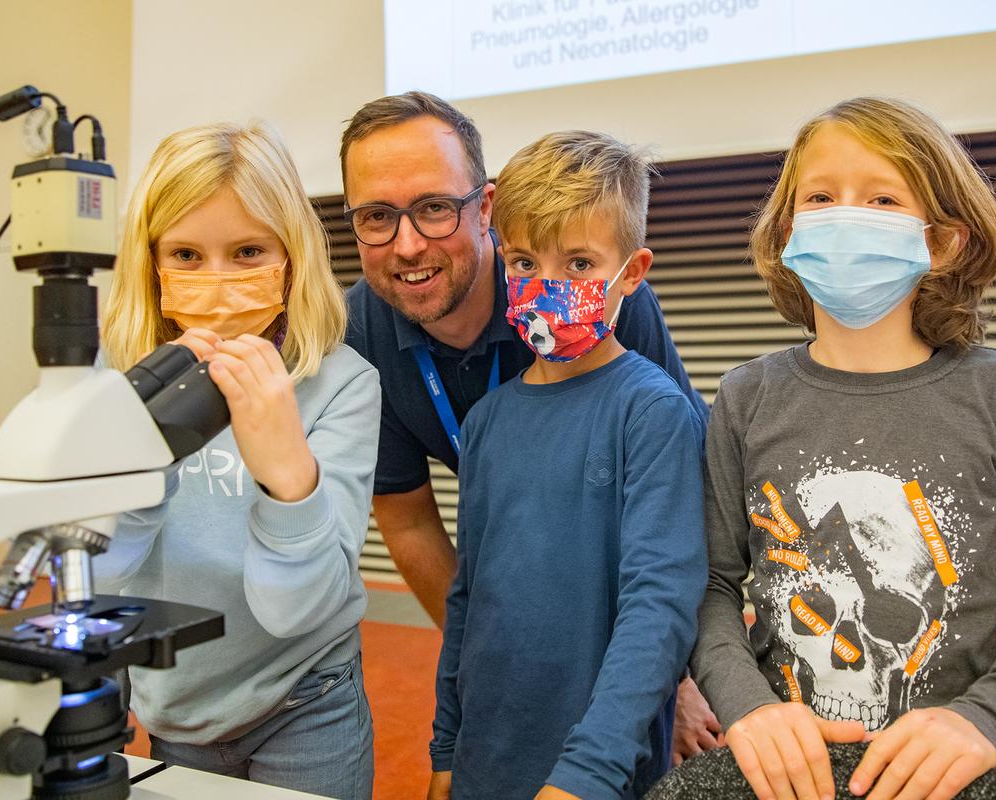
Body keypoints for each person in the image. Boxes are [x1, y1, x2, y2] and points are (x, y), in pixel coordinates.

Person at [691, 96, 996, 800]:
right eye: (821, 197)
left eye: (882, 198)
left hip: (948, 784)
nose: (845, 215)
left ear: (943, 240)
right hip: (780, 780)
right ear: (788, 231)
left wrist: (984, 719)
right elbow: (709, 586)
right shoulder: (747, 396)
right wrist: (749, 707)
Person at [339, 91, 722, 760]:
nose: (407, 245)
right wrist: (486, 670)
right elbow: (408, 522)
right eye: (376, 216)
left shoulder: (604, 303)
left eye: (433, 208)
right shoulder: (362, 333)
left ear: (484, 208)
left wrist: (679, 681)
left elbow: (679, 511)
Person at [96, 122, 380, 800]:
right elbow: (96, 575)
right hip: (178, 707)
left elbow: (296, 612)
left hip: (306, 705)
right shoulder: (113, 381)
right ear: (149, 260)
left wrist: (289, 477)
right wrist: (143, 462)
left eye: (248, 251)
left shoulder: (340, 383)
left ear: (292, 254)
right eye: (186, 255)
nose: (217, 282)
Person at [427, 131, 708, 800]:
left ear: (631, 273)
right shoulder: (488, 422)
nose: (547, 285)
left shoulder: (652, 413)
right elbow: (468, 598)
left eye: (579, 264)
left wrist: (589, 773)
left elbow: (658, 610)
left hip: (597, 775)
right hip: (482, 763)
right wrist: (445, 744)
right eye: (524, 260)